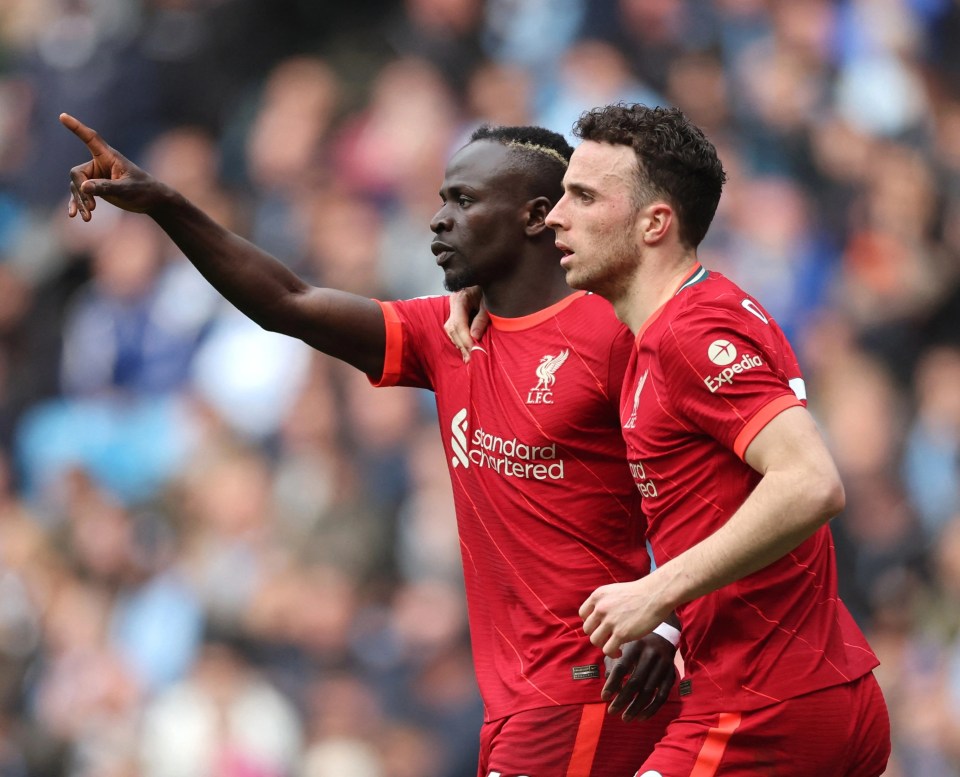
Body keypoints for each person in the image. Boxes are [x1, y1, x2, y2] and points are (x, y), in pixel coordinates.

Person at [60, 113, 681, 777]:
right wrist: (165, 203)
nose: (440, 219)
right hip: (514, 699)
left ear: (535, 216)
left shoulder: (614, 333)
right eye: (443, 198)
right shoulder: (450, 337)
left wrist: (668, 620)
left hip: (589, 683)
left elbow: (728, 487)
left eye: (465, 201)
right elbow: (287, 301)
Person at [545, 103, 891, 775]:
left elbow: (810, 480)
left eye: (583, 195)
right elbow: (734, 498)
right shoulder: (692, 316)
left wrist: (656, 592)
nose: (559, 214)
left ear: (655, 223)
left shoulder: (689, 333)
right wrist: (676, 620)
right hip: (818, 687)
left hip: (763, 706)